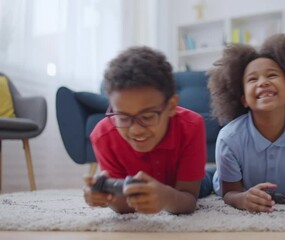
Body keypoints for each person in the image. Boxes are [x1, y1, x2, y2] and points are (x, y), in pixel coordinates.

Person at [207, 34, 285, 213]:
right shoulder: (229, 138)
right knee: (204, 182)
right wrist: (242, 199)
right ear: (243, 99)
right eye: (252, 79)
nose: (263, 82)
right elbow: (230, 193)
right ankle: (213, 172)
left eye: (272, 75)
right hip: (228, 181)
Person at [83, 46, 213, 215]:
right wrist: (106, 196)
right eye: (123, 117)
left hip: (185, 185)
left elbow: (189, 200)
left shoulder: (192, 125)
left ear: (171, 106)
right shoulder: (103, 136)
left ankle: (213, 172)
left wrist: (166, 198)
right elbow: (123, 207)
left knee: (213, 181)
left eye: (148, 116)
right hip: (139, 188)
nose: (136, 130)